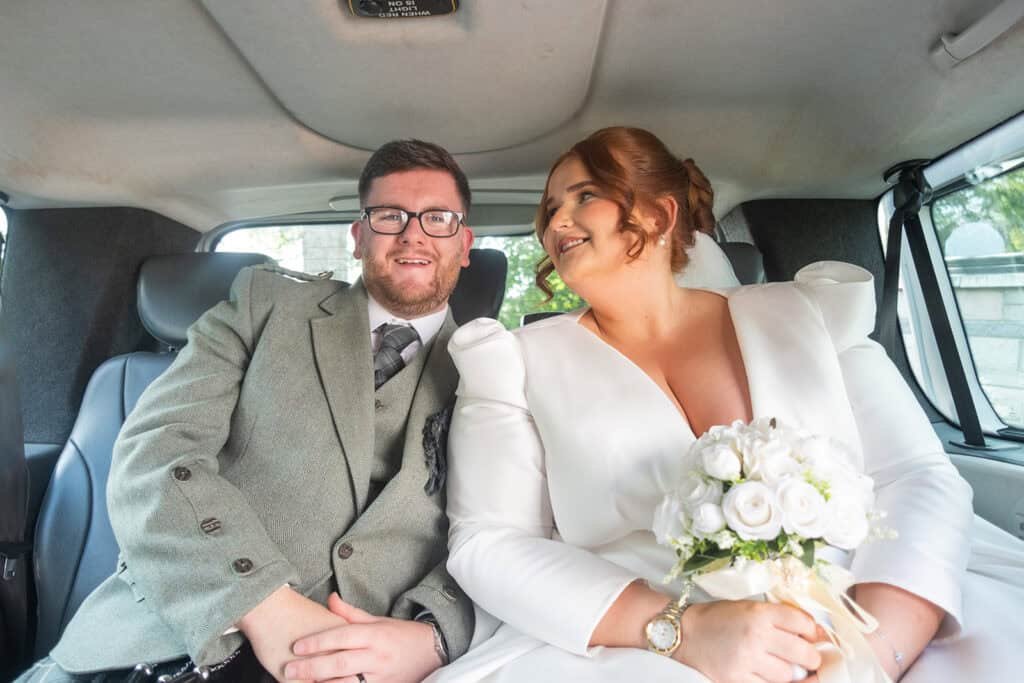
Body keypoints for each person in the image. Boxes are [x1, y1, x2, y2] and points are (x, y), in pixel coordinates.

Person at [430, 127, 1024, 682]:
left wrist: (870, 652)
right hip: (641, 643)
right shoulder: (511, 362)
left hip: (865, 602)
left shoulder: (807, 313)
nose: (556, 219)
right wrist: (681, 630)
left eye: (584, 195)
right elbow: (489, 542)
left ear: (661, 214)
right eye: (550, 207)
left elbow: (916, 476)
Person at [17, 139, 477, 683]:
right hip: (166, 637)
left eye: (438, 218)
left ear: (465, 243)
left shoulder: (494, 370)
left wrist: (436, 636)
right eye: (388, 215)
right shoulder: (265, 305)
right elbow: (156, 451)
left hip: (361, 661)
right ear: (358, 237)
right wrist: (260, 599)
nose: (413, 233)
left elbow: (514, 535)